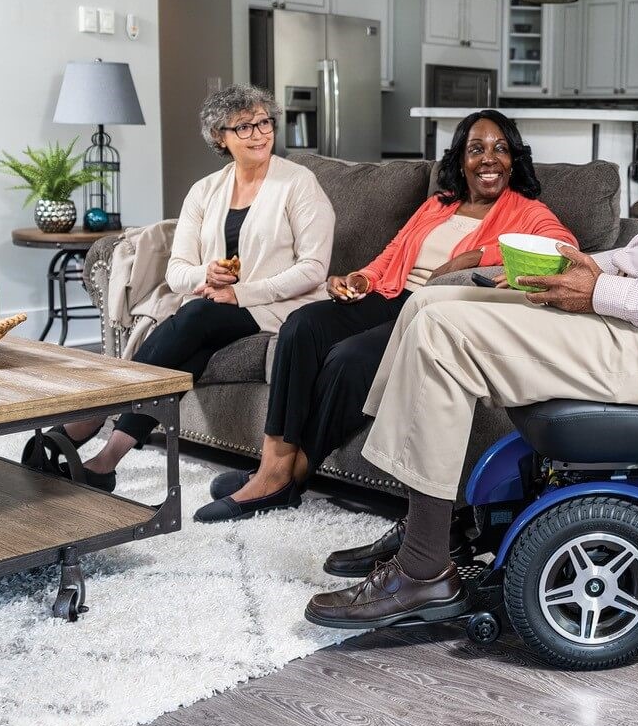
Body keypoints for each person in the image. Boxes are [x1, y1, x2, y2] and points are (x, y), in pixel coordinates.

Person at [304, 0, 638, 629]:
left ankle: (424, 572)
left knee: (443, 330)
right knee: (432, 300)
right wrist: (581, 267)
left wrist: (599, 293)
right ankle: (426, 523)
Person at [192, 109, 577, 522]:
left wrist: (474, 256)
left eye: (500, 149)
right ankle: (274, 465)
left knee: (350, 358)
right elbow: (394, 254)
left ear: (514, 159)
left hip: (433, 311)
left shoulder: (527, 211)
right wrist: (360, 278)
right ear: (461, 159)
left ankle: (288, 476)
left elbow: (564, 249)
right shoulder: (439, 205)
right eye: (476, 149)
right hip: (391, 293)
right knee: (301, 325)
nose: (489, 159)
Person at [23, 84, 334, 492]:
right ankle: (106, 461)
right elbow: (177, 273)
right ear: (220, 137)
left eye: (264, 123)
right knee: (193, 347)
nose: (259, 134)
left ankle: (97, 411)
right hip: (216, 308)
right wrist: (207, 274)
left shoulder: (298, 183)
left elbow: (314, 269)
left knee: (195, 315)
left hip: (279, 306)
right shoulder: (204, 191)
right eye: (244, 127)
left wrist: (239, 293)